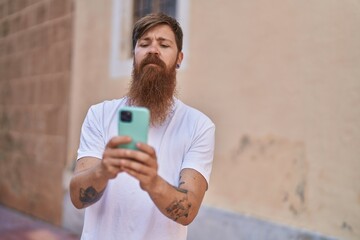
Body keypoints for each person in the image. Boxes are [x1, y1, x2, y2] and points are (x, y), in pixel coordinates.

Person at [70, 13, 215, 240]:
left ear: (179, 58)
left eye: (164, 44)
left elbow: (188, 210)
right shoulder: (99, 115)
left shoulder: (199, 126)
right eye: (144, 44)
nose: (153, 50)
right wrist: (104, 170)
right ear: (134, 55)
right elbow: (77, 198)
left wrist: (151, 181)